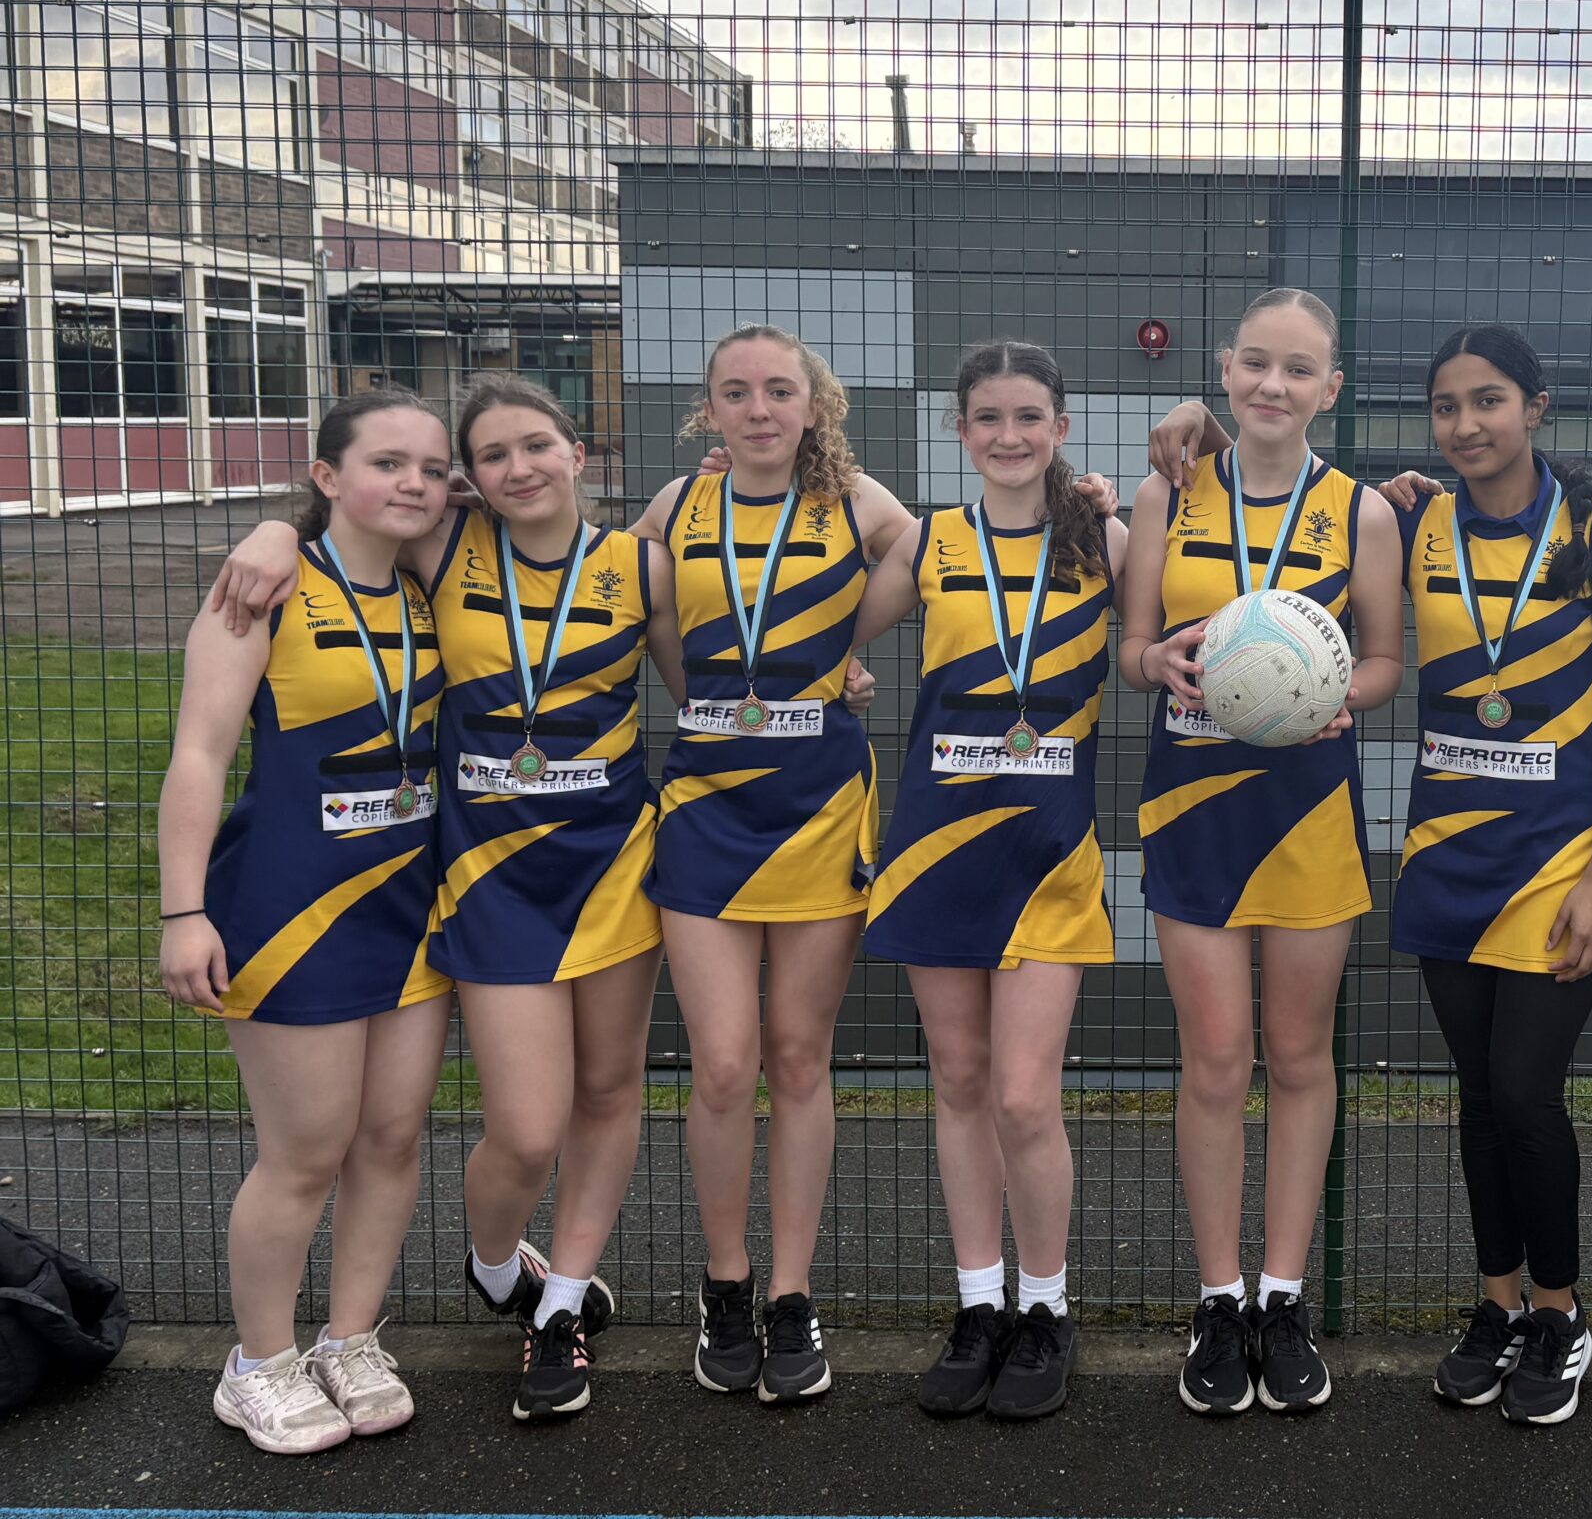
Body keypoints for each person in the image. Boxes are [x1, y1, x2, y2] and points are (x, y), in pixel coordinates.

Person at [206, 376, 669, 1423]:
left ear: (579, 452)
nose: (519, 467)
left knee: (597, 1096)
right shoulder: (444, 548)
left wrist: (837, 682)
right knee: (524, 1129)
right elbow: (352, 522)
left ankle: (547, 1310)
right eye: (491, 454)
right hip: (482, 878)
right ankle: (484, 1269)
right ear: (475, 481)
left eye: (537, 444)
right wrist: (276, 532)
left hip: (609, 871)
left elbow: (709, 681)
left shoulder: (644, 565)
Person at [1392, 324, 1592, 1428]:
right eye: (1447, 405)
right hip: (1445, 854)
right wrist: (1192, 424)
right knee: (1479, 1096)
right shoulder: (1412, 522)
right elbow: (1284, 500)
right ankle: (1497, 1302)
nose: (1466, 424)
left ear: (1536, 407)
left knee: (1524, 1090)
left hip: (1561, 862)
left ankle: (1560, 1312)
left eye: (1489, 400)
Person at [1120, 288, 1405, 1416]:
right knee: (1214, 1060)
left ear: (1330, 388)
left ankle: (1282, 1297)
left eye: (1296, 369)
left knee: (1297, 1056)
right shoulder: (1169, 487)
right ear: (1225, 370)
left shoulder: (1362, 512)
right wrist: (1159, 664)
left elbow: (1383, 662)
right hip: (1192, 806)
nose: (1271, 385)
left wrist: (1341, 700)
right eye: (1253, 363)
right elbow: (1132, 647)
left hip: (1306, 810)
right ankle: (1217, 1298)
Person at [158, 388, 454, 1454]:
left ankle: (350, 1340)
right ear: (327, 475)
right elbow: (199, 755)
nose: (413, 483)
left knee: (391, 1136)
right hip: (288, 908)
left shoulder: (429, 583)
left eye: (432, 468)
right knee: (306, 1150)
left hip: (408, 906)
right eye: (386, 462)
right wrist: (182, 911)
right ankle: (259, 1363)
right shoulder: (263, 590)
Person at [632, 324, 914, 1406]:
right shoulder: (676, 506)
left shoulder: (856, 502)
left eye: (780, 391)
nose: (759, 409)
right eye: (737, 392)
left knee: (798, 1059)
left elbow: (942, 554)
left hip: (818, 808)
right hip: (707, 805)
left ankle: (792, 1294)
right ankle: (726, 1285)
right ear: (709, 408)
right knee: (720, 1064)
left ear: (814, 404)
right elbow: (626, 602)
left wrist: (847, 654)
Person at [851, 341, 1126, 1422]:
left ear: (1061, 427)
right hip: (936, 847)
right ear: (960, 431)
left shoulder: (1107, 540)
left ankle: (1046, 1308)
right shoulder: (928, 540)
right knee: (960, 1082)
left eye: (1028, 417)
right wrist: (842, 664)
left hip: (1048, 855)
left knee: (1022, 1095)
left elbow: (1194, 590)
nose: (1008, 436)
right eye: (987, 419)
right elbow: (816, 625)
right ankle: (978, 1307)